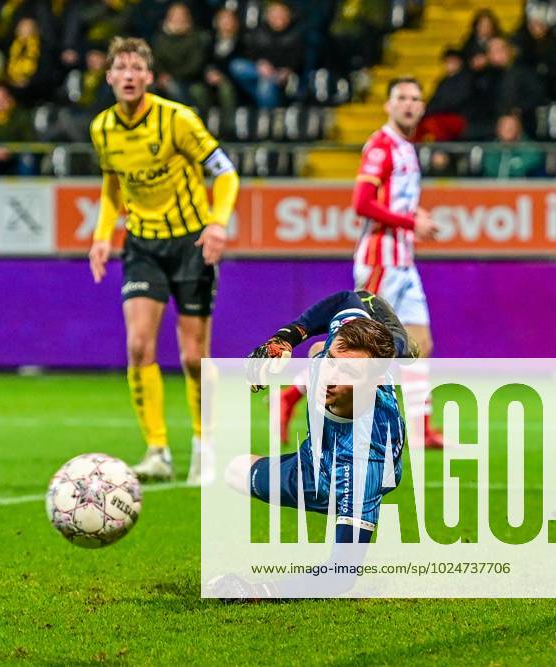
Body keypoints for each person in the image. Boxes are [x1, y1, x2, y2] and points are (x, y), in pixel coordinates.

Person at [88, 37, 239, 484]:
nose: (129, 75)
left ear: (149, 77)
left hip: (192, 244)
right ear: (110, 77)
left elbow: (226, 173)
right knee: (138, 346)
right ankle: (157, 450)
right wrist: (102, 235)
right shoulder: (102, 129)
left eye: (137, 67)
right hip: (143, 245)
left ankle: (204, 444)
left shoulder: (178, 120)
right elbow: (113, 184)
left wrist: (218, 224)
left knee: (194, 356)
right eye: (121, 68)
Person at [276, 78, 443, 448]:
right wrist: (411, 221)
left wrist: (412, 214)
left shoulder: (407, 148)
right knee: (352, 344)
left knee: (421, 343)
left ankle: (422, 428)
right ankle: (291, 395)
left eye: (416, 98)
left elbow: (391, 202)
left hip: (403, 261)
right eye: (401, 97)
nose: (409, 104)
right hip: (380, 259)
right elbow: (362, 203)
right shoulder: (381, 146)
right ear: (388, 105)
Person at [211, 304, 408, 599]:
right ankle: (403, 347)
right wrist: (286, 338)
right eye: (332, 361)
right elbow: (349, 298)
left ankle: (404, 348)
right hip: (312, 453)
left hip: (328, 480)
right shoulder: (338, 354)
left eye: (349, 371)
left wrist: (256, 590)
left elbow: (340, 576)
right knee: (234, 471)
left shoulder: (365, 469)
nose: (330, 374)